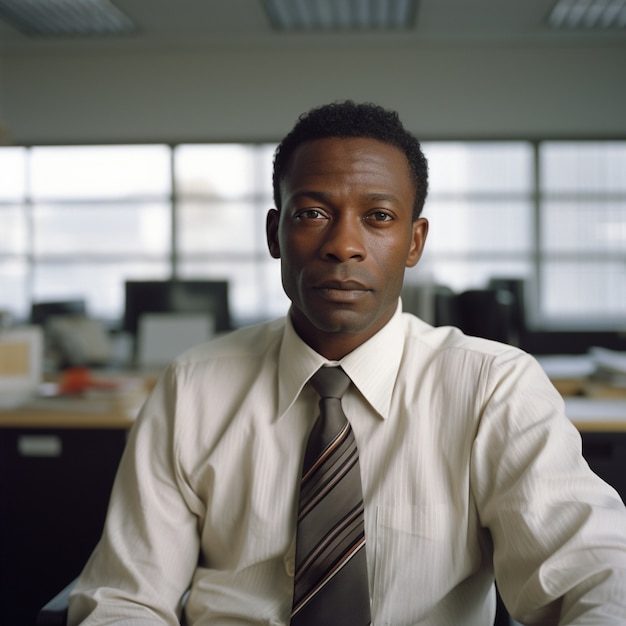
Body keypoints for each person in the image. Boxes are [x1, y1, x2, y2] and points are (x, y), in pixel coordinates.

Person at [68, 101, 626, 625]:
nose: (344, 245)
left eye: (379, 216)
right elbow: (126, 597)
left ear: (414, 242)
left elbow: (595, 575)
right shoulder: (193, 386)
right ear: (275, 233)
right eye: (312, 212)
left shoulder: (493, 386)